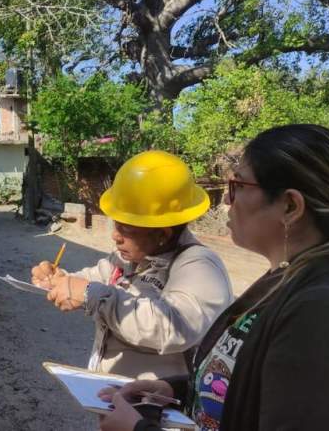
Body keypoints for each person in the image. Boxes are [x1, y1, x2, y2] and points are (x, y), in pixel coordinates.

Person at [99, 124, 329, 431]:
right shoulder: (287, 279)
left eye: (238, 186)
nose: (227, 201)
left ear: (290, 206)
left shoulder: (325, 312)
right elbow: (257, 389)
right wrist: (178, 391)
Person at [31, 151, 233, 380]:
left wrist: (91, 295)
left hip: (158, 408)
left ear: (162, 234)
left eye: (126, 229)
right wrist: (58, 279)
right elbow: (93, 277)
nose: (115, 236)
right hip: (116, 400)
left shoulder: (199, 267)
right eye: (116, 224)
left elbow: (173, 326)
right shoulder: (127, 257)